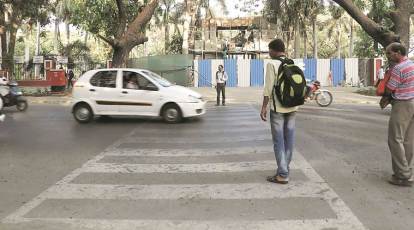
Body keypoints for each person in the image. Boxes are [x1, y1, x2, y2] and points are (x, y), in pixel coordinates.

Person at [260, 38, 300, 184]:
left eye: (269, 50)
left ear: (274, 50)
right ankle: (284, 170)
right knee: (289, 140)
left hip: (278, 108)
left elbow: (268, 89)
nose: (269, 53)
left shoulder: (272, 64)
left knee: (278, 141)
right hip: (293, 107)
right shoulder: (291, 62)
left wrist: (264, 107)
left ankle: (282, 174)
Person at [380, 42, 414, 187]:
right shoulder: (412, 65)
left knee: (395, 139)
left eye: (389, 53)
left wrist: (384, 96)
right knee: (408, 139)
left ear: (398, 52)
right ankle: (405, 172)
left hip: (402, 104)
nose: (388, 56)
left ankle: (403, 175)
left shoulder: (398, 68)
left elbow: (390, 89)